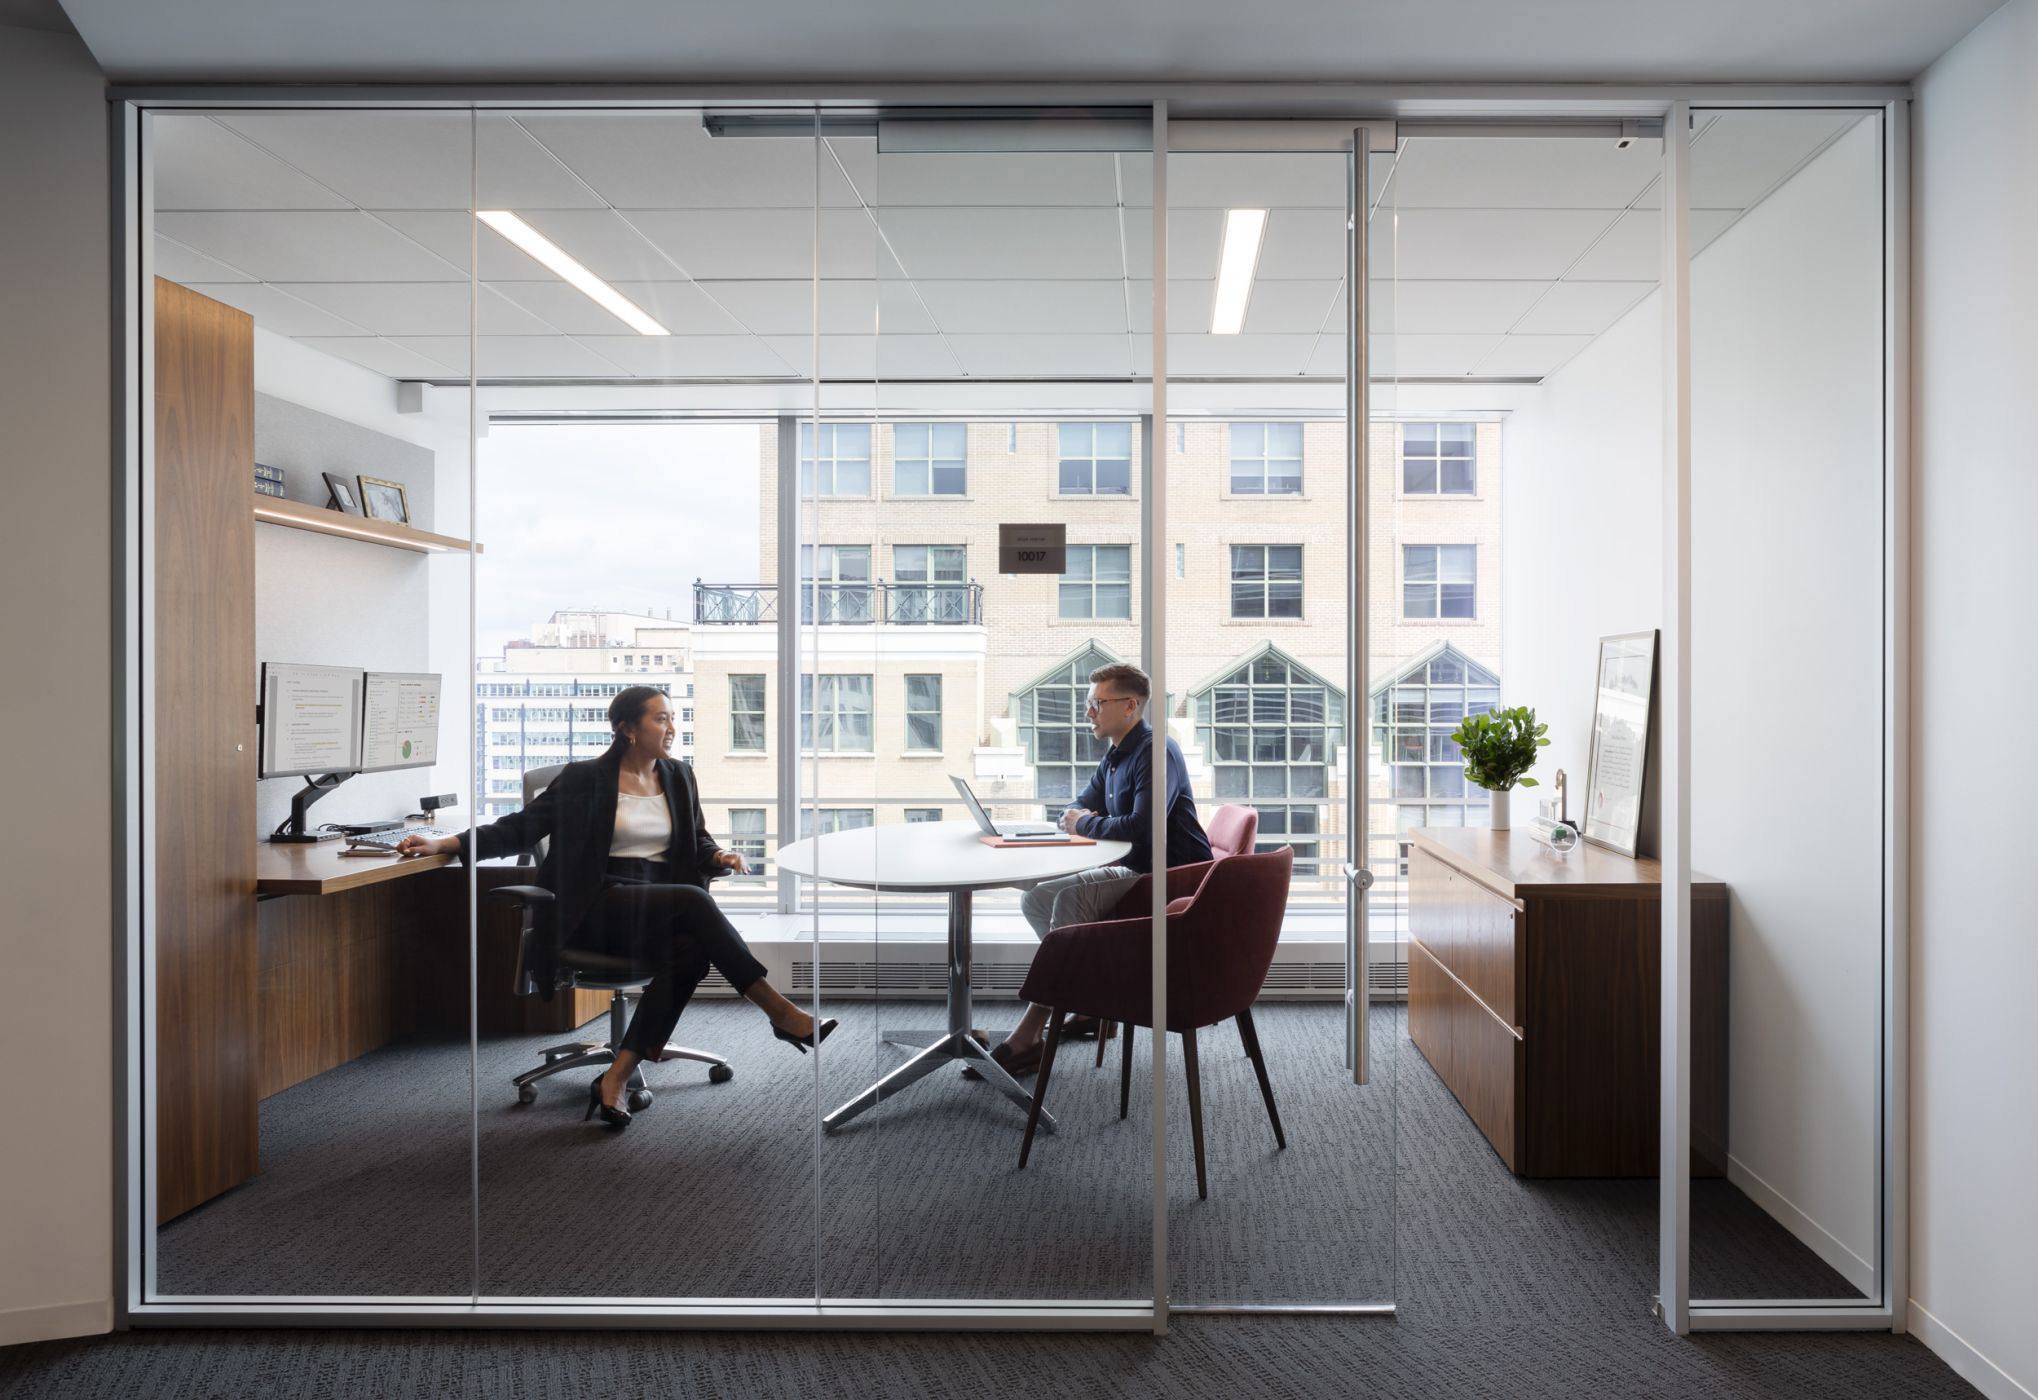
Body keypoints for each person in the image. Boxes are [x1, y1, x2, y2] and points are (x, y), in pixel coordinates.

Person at [398, 685, 835, 1131]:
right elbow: (518, 828)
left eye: (672, 718)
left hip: (656, 904)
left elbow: (695, 839)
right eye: (660, 719)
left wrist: (718, 856)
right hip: (595, 904)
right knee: (693, 900)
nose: (671, 728)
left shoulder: (679, 776)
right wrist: (447, 843)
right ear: (626, 728)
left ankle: (615, 1078)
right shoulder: (585, 779)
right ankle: (778, 1011)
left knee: (690, 953)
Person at [974, 662, 1212, 1079]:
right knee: (1037, 897)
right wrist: (1078, 816)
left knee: (1068, 898)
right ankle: (1089, 1007)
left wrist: (1084, 821)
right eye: (1090, 703)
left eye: (1096, 703)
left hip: (1168, 877)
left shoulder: (1156, 752)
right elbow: (1075, 804)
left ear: (1130, 706)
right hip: (1138, 869)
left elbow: (1142, 828)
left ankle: (1030, 1034)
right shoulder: (1117, 755)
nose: (1088, 712)